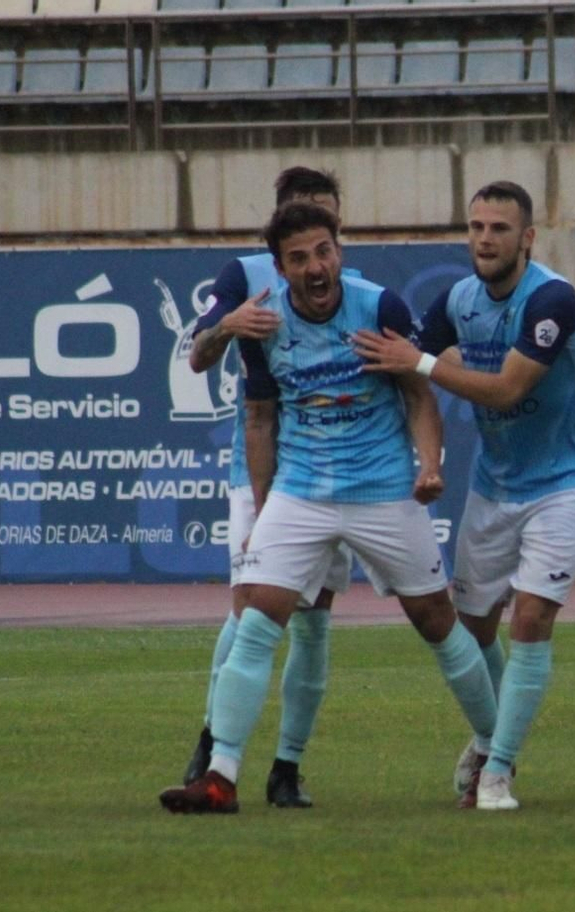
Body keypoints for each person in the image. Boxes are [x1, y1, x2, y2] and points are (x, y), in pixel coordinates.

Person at [158, 202, 498, 814]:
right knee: (258, 619)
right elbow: (260, 419)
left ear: (339, 250)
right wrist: (265, 511)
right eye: (298, 258)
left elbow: (419, 395)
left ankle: (493, 752)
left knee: (438, 625)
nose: (315, 267)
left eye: (323, 251)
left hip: (384, 490)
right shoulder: (264, 324)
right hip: (302, 489)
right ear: (282, 268)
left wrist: (430, 465)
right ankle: (221, 774)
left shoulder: (380, 306)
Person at [354, 181, 575, 812]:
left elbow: (506, 392)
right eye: (476, 227)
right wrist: (429, 461)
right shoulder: (457, 302)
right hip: (493, 487)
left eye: (498, 228)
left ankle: (498, 770)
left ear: (527, 238)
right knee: (472, 627)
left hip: (565, 482)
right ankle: (492, 734)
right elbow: (410, 382)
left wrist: (423, 363)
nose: (485, 239)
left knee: (530, 621)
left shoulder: (552, 299)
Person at [179, 166, 356, 809]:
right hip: (257, 475)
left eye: (329, 225)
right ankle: (212, 742)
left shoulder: (353, 287)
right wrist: (231, 326)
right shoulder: (245, 275)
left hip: (334, 475)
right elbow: (197, 354)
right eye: (305, 221)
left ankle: (287, 769)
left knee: (313, 622)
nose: (317, 244)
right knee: (249, 610)